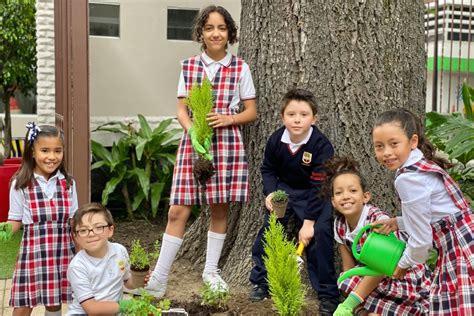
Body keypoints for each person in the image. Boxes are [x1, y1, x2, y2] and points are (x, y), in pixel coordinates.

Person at [145, 5, 257, 298]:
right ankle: (159, 277)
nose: (215, 33)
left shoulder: (240, 67)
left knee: (219, 208)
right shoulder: (189, 66)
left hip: (226, 143)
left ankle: (210, 270)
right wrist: (191, 128)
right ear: (201, 33)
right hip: (193, 143)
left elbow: (251, 111)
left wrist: (229, 118)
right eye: (209, 28)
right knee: (177, 209)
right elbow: (182, 108)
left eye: (221, 28)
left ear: (229, 32)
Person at [371, 108, 474, 315]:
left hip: (459, 248)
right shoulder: (420, 165)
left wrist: (403, 265)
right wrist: (398, 223)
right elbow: (437, 215)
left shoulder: (408, 179)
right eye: (379, 146)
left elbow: (421, 240)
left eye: (394, 144)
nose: (386, 153)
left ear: (413, 141)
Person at [248, 88, 339, 315]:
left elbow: (320, 185)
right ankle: (262, 281)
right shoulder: (276, 140)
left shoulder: (321, 145)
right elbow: (268, 169)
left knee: (320, 235)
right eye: (291, 114)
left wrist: (308, 223)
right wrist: (270, 193)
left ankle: (328, 294)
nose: (297, 120)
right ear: (282, 117)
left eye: (304, 114)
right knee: (270, 230)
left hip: (315, 194)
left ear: (314, 118)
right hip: (284, 192)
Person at [325, 157, 431, 316]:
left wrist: (349, 303)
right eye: (339, 193)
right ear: (333, 201)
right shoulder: (339, 225)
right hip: (371, 275)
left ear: (365, 197)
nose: (346, 196)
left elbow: (381, 268)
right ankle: (364, 312)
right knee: (346, 280)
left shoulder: (377, 221)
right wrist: (347, 290)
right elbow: (348, 268)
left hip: (398, 272)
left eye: (353, 191)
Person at [0, 123, 77, 316]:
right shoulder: (20, 183)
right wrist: (4, 230)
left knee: (54, 302)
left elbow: (74, 221)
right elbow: (15, 220)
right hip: (32, 255)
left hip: (62, 253)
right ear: (32, 152)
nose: (52, 157)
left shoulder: (68, 183)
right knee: (24, 305)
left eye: (57, 150)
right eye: (45, 150)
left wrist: (87, 252)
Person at [66, 203, 136, 315]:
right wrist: (127, 306)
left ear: (110, 230)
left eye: (98, 227)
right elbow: (92, 309)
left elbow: (127, 282)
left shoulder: (119, 251)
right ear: (76, 237)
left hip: (113, 311)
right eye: (83, 230)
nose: (91, 234)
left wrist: (140, 278)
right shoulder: (78, 266)